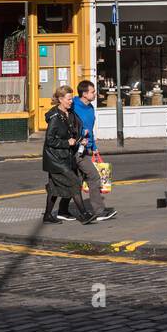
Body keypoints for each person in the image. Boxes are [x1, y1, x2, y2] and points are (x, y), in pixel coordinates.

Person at [42, 86, 96, 225]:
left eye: (72, 98)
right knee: (75, 183)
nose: (72, 101)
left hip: (67, 156)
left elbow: (74, 130)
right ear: (60, 99)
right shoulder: (55, 117)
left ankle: (48, 215)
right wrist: (67, 142)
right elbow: (50, 140)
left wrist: (80, 138)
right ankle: (83, 215)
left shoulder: (70, 113)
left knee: (54, 188)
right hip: (55, 159)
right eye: (69, 99)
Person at [63, 80, 115, 221]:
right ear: (84, 94)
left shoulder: (90, 108)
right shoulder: (73, 104)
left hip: (86, 148)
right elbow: (61, 113)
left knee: (76, 182)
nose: (95, 94)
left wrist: (94, 147)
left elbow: (90, 130)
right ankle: (99, 211)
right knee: (94, 177)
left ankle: (62, 210)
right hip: (76, 149)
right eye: (92, 92)